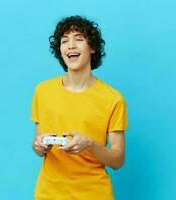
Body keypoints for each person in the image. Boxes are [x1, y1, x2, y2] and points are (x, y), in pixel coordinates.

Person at [30, 15, 128, 200]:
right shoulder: (42, 91)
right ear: (60, 50)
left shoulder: (113, 99)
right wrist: (39, 146)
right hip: (49, 193)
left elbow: (118, 160)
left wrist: (90, 145)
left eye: (79, 39)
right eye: (64, 41)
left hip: (94, 194)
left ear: (92, 47)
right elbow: (37, 145)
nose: (71, 45)